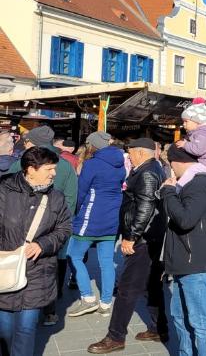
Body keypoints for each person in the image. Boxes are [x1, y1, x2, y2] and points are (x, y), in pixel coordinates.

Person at [87, 138, 168, 353]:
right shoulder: (150, 168)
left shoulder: (148, 172)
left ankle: (115, 337)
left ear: (140, 153)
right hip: (151, 236)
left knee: (127, 289)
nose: (128, 158)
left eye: (130, 153)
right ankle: (159, 329)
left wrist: (131, 236)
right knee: (152, 286)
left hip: (143, 239)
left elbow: (145, 206)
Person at [160, 145, 206, 356]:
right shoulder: (191, 183)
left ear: (176, 163)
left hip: (199, 264)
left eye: (170, 165)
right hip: (186, 261)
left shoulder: (199, 184)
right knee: (180, 318)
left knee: (201, 322)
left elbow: (185, 219)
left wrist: (168, 193)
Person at [0, 147, 71, 355]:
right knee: (4, 331)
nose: (54, 173)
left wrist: (43, 244)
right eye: (49, 168)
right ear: (31, 169)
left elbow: (65, 228)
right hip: (5, 270)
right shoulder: (4, 190)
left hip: (37, 273)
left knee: (26, 329)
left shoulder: (56, 197)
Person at [67, 132, 126, 318]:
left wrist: (74, 214)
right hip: (112, 218)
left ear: (93, 145)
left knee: (73, 255)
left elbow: (81, 191)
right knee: (106, 262)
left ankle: (88, 298)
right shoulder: (120, 164)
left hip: (90, 218)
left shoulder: (92, 164)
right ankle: (106, 303)